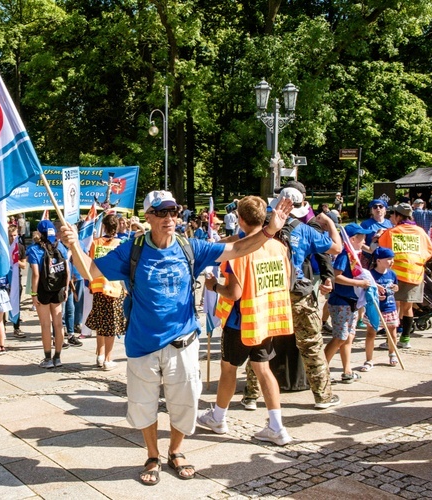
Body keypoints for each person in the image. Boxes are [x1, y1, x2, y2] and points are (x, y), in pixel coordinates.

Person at [59, 190, 293, 485]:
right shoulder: (131, 250)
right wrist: (72, 247)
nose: (170, 218)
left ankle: (177, 451)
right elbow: (91, 272)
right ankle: (153, 455)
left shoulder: (190, 247)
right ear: (148, 217)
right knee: (144, 408)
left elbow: (237, 249)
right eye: (162, 212)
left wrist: (271, 229)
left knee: (184, 405)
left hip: (182, 342)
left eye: (174, 211)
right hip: (142, 344)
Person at [198, 196, 294, 445]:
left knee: (228, 369)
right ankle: (276, 425)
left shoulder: (240, 254)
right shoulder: (277, 246)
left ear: (239, 219)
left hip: (240, 322)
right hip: (265, 319)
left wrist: (213, 286)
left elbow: (234, 293)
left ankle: (218, 417)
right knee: (264, 370)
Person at [242, 186, 342, 411]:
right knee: (311, 345)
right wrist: (332, 225)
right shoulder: (304, 230)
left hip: (267, 292)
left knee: (260, 343)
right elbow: (336, 248)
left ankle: (251, 395)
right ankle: (322, 396)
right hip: (299, 294)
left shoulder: (261, 226)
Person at [377, 203, 432, 349]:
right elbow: (429, 252)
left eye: (392, 215)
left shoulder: (391, 232)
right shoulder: (420, 232)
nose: (391, 217)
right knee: (408, 307)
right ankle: (405, 339)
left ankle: (392, 341)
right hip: (415, 274)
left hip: (395, 275)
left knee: (392, 307)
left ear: (398, 216)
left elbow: (382, 250)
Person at [323, 224, 373, 383]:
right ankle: (321, 371)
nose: (364, 239)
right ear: (352, 239)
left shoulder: (355, 256)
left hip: (350, 303)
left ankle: (347, 371)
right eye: (362, 237)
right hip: (341, 302)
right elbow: (336, 277)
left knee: (348, 337)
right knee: (339, 338)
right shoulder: (345, 255)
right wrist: (358, 284)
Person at [85, 214, 127, 370]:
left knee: (100, 322)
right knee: (111, 325)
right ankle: (108, 358)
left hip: (98, 287)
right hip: (115, 288)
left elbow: (90, 264)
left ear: (103, 226)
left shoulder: (95, 243)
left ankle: (100, 355)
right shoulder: (120, 244)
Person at [27, 220, 70, 368]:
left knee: (45, 325)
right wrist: (66, 289)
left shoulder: (34, 249)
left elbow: (36, 274)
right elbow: (67, 270)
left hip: (43, 290)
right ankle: (58, 357)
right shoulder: (60, 247)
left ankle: (47, 359)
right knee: (58, 324)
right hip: (58, 288)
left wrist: (33, 293)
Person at [358, 247, 400, 370]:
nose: (391, 261)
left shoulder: (392, 273)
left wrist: (395, 288)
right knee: (371, 334)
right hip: (375, 308)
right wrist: (376, 293)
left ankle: (392, 353)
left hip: (389, 307)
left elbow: (395, 286)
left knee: (392, 333)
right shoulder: (371, 274)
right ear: (379, 260)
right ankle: (369, 360)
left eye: (392, 259)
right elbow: (366, 289)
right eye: (388, 259)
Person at [7, 224, 27, 338]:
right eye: (10, 236)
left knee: (16, 303)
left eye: (15, 235)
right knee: (3, 305)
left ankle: (16, 327)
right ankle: (3, 326)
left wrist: (15, 260)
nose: (13, 238)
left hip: (16, 279)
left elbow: (24, 265)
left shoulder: (20, 247)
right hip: (5, 279)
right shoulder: (3, 246)